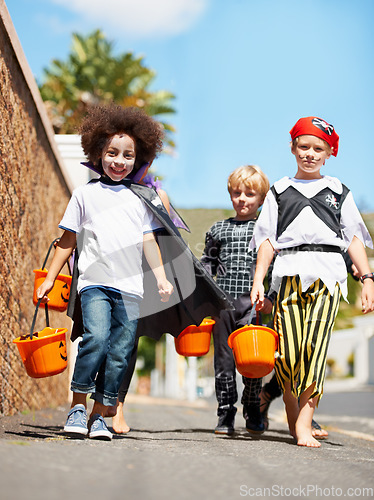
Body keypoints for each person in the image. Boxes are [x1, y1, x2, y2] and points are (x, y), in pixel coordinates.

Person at [36, 104, 174, 440]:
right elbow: (67, 241)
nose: (119, 161)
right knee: (96, 339)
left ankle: (100, 414)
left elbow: (148, 242)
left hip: (130, 289)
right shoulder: (85, 194)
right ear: (98, 152)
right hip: (95, 283)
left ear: (137, 158)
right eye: (112, 152)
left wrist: (161, 277)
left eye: (128, 155)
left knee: (120, 352)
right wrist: (50, 279)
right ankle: (77, 406)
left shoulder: (140, 199)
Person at [250, 116, 374, 448]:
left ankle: (303, 423)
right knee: (288, 354)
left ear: (329, 152)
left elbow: (354, 241)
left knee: (314, 351)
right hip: (287, 274)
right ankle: (294, 416)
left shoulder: (339, 192)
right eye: (303, 146)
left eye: (318, 148)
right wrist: (259, 280)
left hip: (329, 276)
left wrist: (367, 279)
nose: (309, 153)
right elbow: (266, 241)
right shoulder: (279, 191)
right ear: (293, 148)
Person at [201, 165, 273, 435]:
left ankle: (252, 407)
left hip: (253, 305)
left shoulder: (266, 231)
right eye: (237, 193)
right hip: (223, 306)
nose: (242, 199)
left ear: (262, 199)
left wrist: (271, 300)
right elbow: (207, 264)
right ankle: (225, 412)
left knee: (254, 361)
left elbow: (274, 270)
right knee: (223, 361)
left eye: (250, 194)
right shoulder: (218, 229)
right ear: (230, 194)